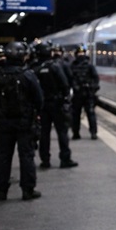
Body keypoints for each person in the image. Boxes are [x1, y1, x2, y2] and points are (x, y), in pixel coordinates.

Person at [0, 41, 43, 201]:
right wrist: (34, 114)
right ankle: (28, 190)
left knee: (3, 156)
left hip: (3, 123)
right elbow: (39, 99)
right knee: (26, 156)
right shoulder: (28, 75)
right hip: (25, 123)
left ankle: (1, 190)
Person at [31, 41, 78, 169]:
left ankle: (45, 160)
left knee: (44, 134)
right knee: (62, 132)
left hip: (42, 106)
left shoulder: (34, 68)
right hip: (57, 104)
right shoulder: (55, 66)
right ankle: (65, 159)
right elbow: (65, 85)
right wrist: (66, 100)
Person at [70, 46, 99, 140]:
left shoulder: (89, 66)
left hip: (88, 93)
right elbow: (70, 78)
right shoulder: (72, 66)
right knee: (76, 115)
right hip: (77, 94)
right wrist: (74, 86)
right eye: (79, 53)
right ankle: (76, 133)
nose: (81, 55)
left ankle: (93, 132)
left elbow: (95, 79)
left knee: (90, 113)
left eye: (82, 53)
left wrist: (92, 88)